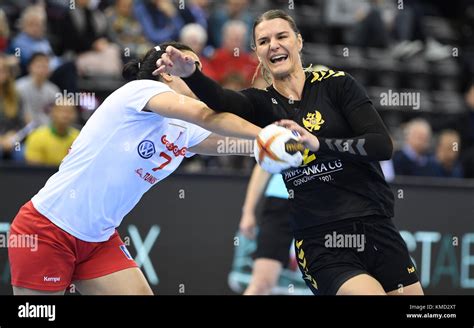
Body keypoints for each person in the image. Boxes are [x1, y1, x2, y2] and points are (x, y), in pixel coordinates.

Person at [154, 9, 424, 295]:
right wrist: (192, 75)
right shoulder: (260, 103)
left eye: (281, 36)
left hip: (377, 226)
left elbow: (381, 145)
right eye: (263, 41)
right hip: (322, 239)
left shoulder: (336, 85)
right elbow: (222, 99)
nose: (274, 45)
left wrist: (319, 144)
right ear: (257, 52)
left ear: (299, 41)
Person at [8, 41, 260, 295]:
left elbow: (233, 142)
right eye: (192, 68)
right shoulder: (140, 91)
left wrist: (276, 146)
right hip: (47, 228)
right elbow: (208, 116)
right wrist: (268, 134)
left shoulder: (184, 126)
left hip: (98, 240)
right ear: (167, 72)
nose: (201, 78)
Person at [239, 164, 294, 295]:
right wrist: (248, 211)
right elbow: (263, 165)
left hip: (329, 207)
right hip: (281, 203)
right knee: (261, 284)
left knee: (336, 285)